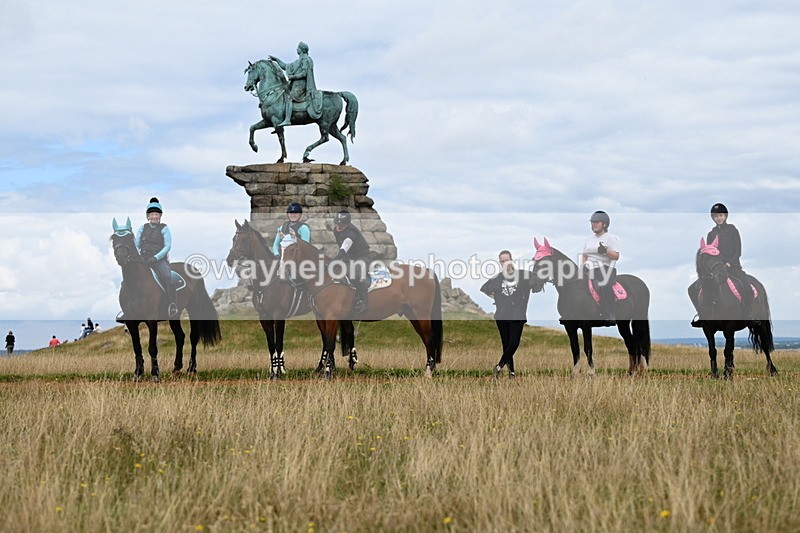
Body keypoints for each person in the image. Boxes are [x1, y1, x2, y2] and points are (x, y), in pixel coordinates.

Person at [689, 203, 754, 326]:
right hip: (715, 270)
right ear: (713, 218)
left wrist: (729, 263)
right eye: (716, 216)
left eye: (721, 215)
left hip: (733, 267)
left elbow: (738, 251)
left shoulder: (732, 230)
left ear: (725, 216)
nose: (719, 218)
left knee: (747, 287)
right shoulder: (711, 234)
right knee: (692, 289)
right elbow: (709, 254)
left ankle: (748, 314)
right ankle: (702, 315)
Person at [480, 250, 532, 378]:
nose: (505, 263)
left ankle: (499, 366)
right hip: (502, 315)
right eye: (502, 261)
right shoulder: (497, 279)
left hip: (517, 314)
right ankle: (511, 372)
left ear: (511, 259)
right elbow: (484, 288)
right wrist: (496, 298)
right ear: (500, 262)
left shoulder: (522, 275)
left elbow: (535, 281)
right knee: (506, 344)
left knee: (514, 343)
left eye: (506, 260)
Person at [135, 197, 179, 317]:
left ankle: (172, 304)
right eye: (152, 214)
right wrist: (139, 257)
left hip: (159, 261)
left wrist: (156, 257)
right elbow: (136, 244)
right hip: (144, 259)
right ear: (148, 216)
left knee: (167, 276)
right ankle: (129, 307)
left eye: (156, 214)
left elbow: (167, 246)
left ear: (160, 216)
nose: (154, 216)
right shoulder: (142, 228)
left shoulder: (164, 228)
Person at [268, 41, 323, 126]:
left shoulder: (306, 59)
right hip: (295, 85)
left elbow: (304, 73)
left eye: (298, 48)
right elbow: (285, 66)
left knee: (289, 97)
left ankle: (287, 119)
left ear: (302, 50)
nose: (296, 49)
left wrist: (293, 77)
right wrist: (276, 60)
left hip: (301, 86)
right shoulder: (298, 61)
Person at [580, 210, 620, 323]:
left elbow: (616, 256)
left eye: (597, 222)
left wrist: (606, 251)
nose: (594, 224)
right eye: (593, 222)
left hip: (605, 269)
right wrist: (583, 266)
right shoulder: (588, 239)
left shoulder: (610, 238)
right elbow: (584, 255)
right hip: (589, 268)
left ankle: (610, 313)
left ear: (605, 224)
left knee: (604, 284)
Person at [333, 210, 371, 315]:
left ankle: (364, 302)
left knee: (354, 274)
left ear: (347, 224)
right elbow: (340, 247)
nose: (339, 227)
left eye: (342, 225)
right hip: (349, 258)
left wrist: (336, 259)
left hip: (363, 257)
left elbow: (344, 248)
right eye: (337, 224)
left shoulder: (351, 232)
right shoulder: (336, 230)